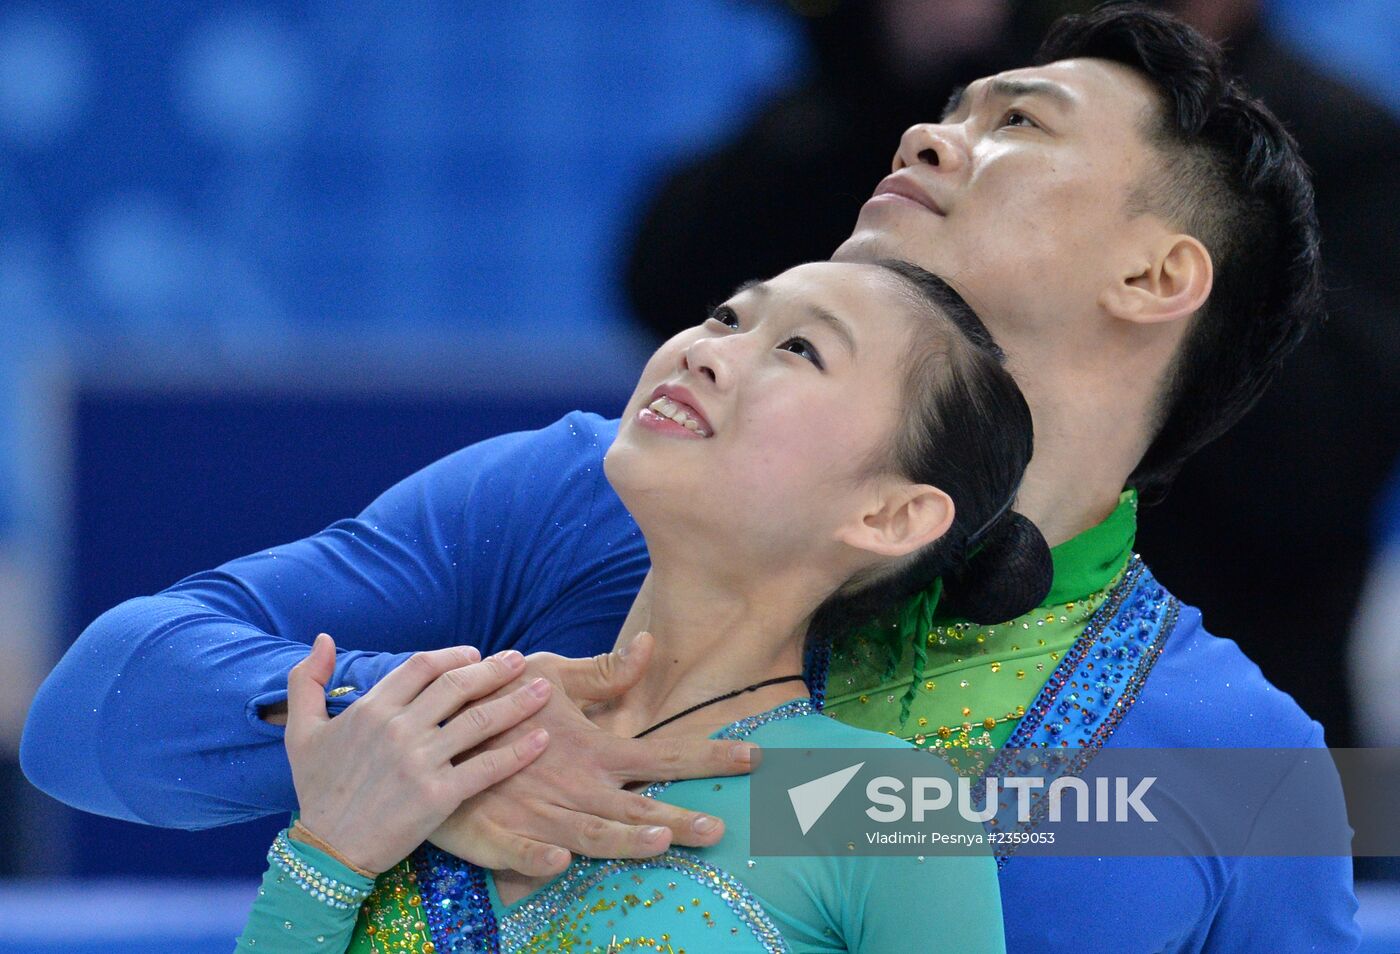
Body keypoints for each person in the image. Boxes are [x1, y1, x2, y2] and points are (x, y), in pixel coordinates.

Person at [20, 4, 1360, 950]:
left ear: (1157, 274)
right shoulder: (577, 498)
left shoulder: (1246, 770)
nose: (933, 136)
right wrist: (444, 735)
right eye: (950, 106)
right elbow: (97, 710)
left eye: (1018, 123)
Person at [235, 260, 1017, 952]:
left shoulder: (869, 807)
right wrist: (328, 852)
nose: (706, 350)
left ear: (889, 517)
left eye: (800, 349)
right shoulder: (431, 742)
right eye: (727, 316)